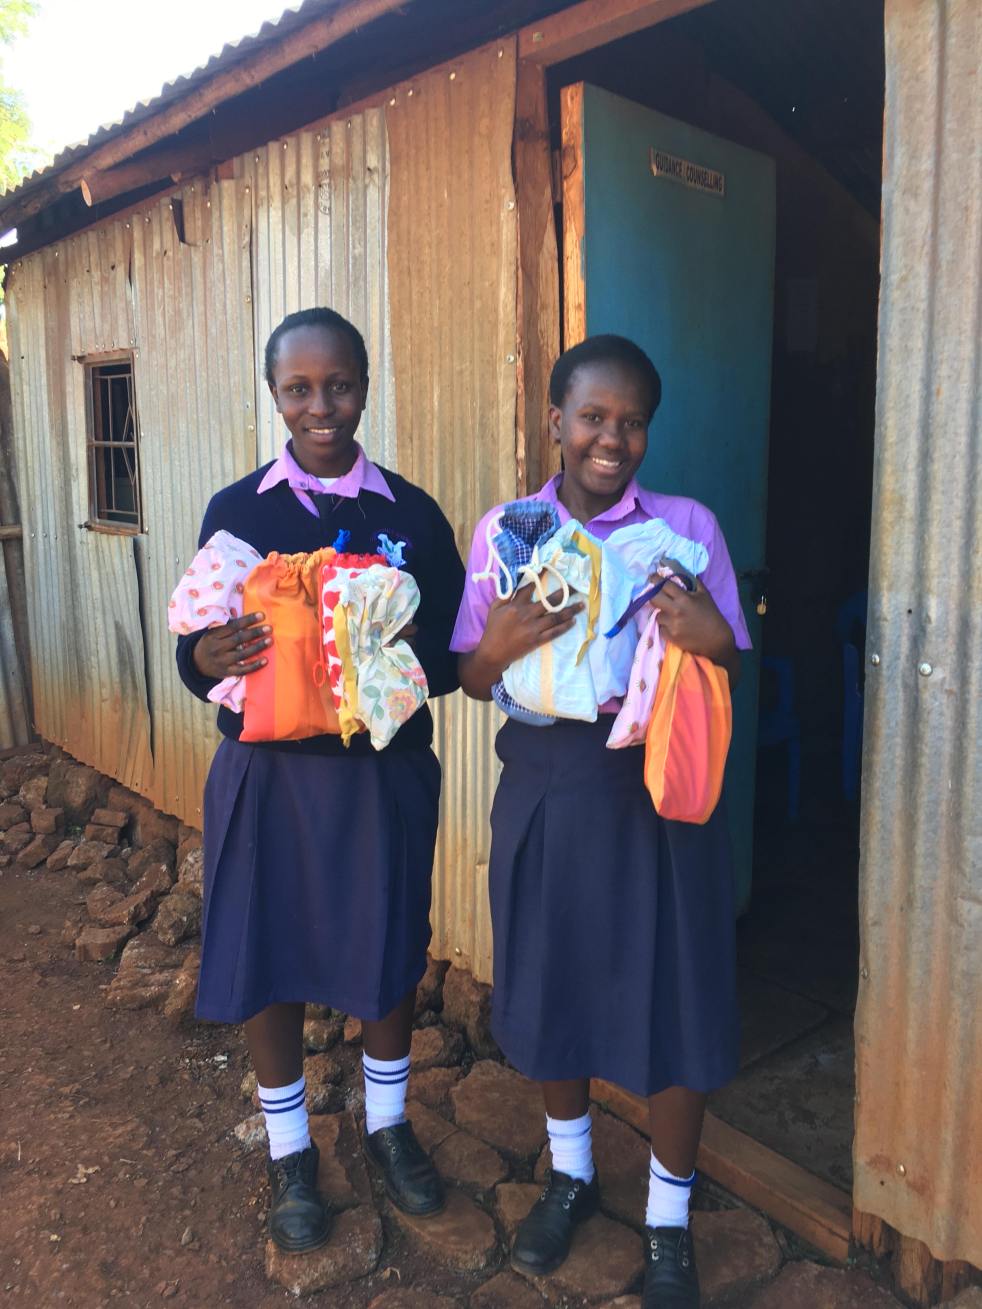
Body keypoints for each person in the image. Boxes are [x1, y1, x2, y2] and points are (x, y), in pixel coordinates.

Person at [452, 335, 750, 1307]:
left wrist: (715, 636)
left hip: (660, 791)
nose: (610, 438)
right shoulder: (509, 532)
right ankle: (572, 1175)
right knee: (555, 981)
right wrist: (494, 647)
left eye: (631, 422)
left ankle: (667, 1218)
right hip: (547, 784)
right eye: (591, 416)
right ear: (556, 421)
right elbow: (471, 677)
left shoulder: (685, 527)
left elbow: (728, 662)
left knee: (678, 994)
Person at [175, 307, 465, 1254]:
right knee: (270, 952)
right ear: (275, 395)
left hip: (382, 778)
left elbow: (456, 654)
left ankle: (387, 1125)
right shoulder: (239, 513)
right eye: (298, 388)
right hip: (268, 777)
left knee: (388, 946)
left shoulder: (409, 516)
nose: (321, 406)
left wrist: (402, 649)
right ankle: (291, 1150)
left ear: (365, 387)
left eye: (338, 385)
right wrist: (202, 655)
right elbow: (201, 651)